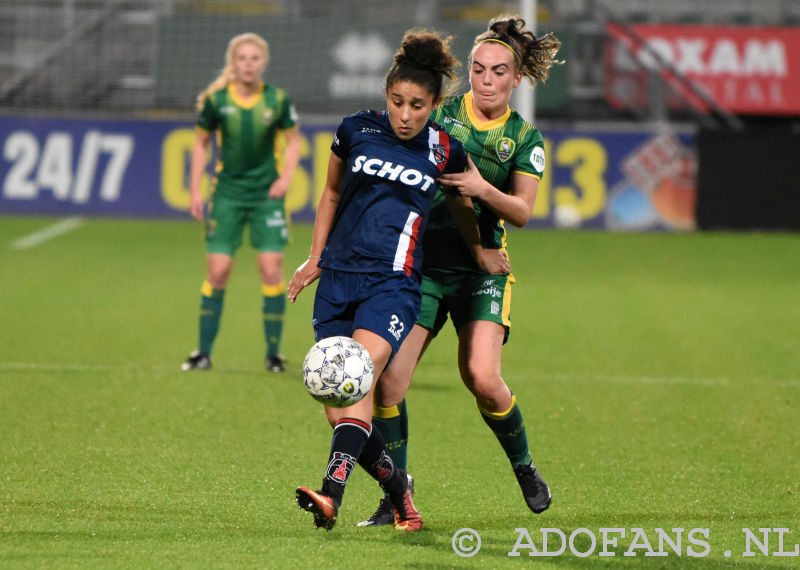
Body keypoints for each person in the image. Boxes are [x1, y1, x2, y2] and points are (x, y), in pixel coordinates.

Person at [359, 16, 563, 526]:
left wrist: (480, 188)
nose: (486, 80)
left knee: (482, 377)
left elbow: (521, 211)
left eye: (498, 71)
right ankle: (396, 495)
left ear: (516, 79)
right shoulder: (441, 116)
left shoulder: (524, 138)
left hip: (483, 272)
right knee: (387, 386)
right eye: (477, 69)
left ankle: (524, 466)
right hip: (424, 268)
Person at [287, 29, 467, 531]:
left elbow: (464, 204)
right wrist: (315, 257)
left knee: (353, 377)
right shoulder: (355, 130)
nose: (405, 114)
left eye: (417, 105)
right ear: (385, 95)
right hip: (338, 280)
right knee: (345, 409)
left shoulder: (444, 150)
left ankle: (330, 498)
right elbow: (329, 194)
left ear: (433, 105)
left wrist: (485, 250)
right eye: (397, 101)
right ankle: (401, 494)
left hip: (393, 285)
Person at [181, 32, 300, 373]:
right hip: (228, 195)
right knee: (218, 271)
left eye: (254, 58)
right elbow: (201, 144)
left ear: (263, 63)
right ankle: (203, 352)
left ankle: (274, 354)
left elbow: (293, 142)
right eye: (242, 58)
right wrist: (194, 189)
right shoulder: (217, 101)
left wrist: (285, 178)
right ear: (233, 63)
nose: (248, 64)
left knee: (271, 269)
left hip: (266, 197)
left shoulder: (276, 100)